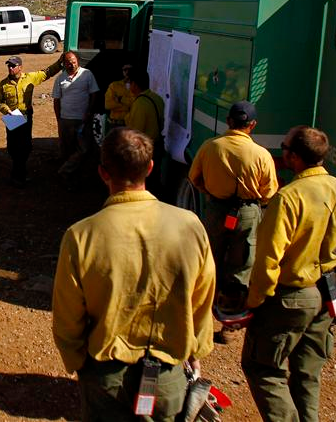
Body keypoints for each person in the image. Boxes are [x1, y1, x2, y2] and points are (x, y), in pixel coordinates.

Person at [52, 128, 215, 421]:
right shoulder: (190, 226)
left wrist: (78, 363)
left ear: (103, 173)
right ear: (150, 168)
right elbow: (201, 300)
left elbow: (67, 314)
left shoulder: (81, 236)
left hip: (105, 375)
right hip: (167, 375)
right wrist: (195, 352)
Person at [242, 125, 336, 422]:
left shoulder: (288, 198)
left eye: (284, 146)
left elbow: (268, 260)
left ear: (293, 157)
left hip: (289, 297)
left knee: (263, 368)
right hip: (325, 292)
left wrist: (254, 301)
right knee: (307, 373)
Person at [188, 100, 278, 344]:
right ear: (253, 125)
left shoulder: (210, 147)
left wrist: (209, 193)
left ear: (229, 121)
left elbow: (194, 177)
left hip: (216, 208)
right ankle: (230, 325)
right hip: (248, 212)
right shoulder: (261, 154)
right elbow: (269, 192)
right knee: (242, 265)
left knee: (210, 258)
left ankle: (201, 317)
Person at [0, 55, 62, 186]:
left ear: (20, 67)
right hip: (12, 115)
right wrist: (6, 110)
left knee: (25, 146)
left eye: (13, 66)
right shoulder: (4, 84)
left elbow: (46, 73)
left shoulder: (30, 78)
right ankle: (19, 173)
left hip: (25, 114)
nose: (10, 68)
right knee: (12, 146)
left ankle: (18, 174)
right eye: (9, 66)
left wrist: (59, 63)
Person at [52, 51, 100, 181]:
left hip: (83, 118)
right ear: (64, 64)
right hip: (66, 119)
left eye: (73, 62)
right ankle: (69, 175)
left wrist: (89, 112)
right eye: (68, 63)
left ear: (77, 61)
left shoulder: (87, 74)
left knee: (84, 148)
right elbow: (56, 100)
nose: (71, 65)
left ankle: (66, 170)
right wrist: (59, 119)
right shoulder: (60, 78)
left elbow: (94, 94)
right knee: (67, 148)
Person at [125, 68, 165, 196]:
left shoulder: (140, 103)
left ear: (135, 85)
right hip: (157, 146)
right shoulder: (157, 98)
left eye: (129, 83)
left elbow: (135, 132)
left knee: (143, 184)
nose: (129, 86)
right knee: (154, 181)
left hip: (144, 150)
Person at [103, 63, 136, 128]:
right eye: (125, 69)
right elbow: (108, 105)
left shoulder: (137, 86)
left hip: (132, 123)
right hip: (116, 123)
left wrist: (120, 100)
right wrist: (128, 107)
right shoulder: (114, 85)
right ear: (122, 71)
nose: (127, 72)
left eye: (130, 70)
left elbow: (137, 103)